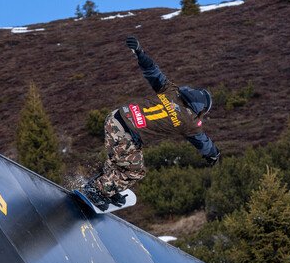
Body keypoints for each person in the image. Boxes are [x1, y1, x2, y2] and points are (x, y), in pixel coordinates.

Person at [81, 36, 220, 210]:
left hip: (115, 117)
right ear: (202, 109)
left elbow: (152, 71)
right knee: (135, 171)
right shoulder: (191, 122)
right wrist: (214, 155)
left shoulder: (171, 90)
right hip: (127, 134)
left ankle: (108, 186)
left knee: (122, 159)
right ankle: (97, 190)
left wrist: (140, 52)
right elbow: (203, 142)